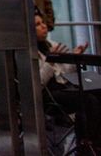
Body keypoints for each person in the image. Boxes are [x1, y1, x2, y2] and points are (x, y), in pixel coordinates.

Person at [35, 12, 101, 149]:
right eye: (38, 24)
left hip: (63, 87)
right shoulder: (30, 54)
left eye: (43, 23)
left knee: (98, 92)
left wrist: (73, 58)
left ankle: (92, 139)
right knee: (88, 100)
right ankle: (87, 142)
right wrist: (50, 61)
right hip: (47, 94)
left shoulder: (51, 44)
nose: (44, 26)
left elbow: (65, 73)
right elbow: (38, 83)